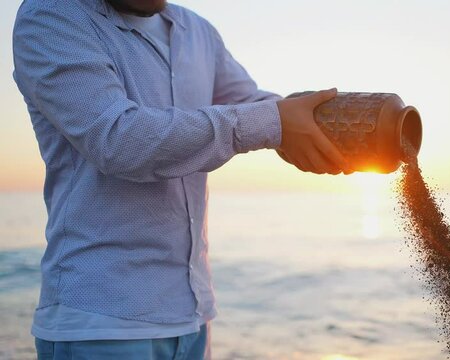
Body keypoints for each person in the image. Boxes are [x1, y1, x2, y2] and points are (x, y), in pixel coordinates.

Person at [12, 0, 351, 358]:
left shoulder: (197, 31)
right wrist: (273, 121)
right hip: (102, 324)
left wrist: (333, 124)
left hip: (192, 318)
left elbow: (251, 103)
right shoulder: (52, 15)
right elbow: (118, 139)